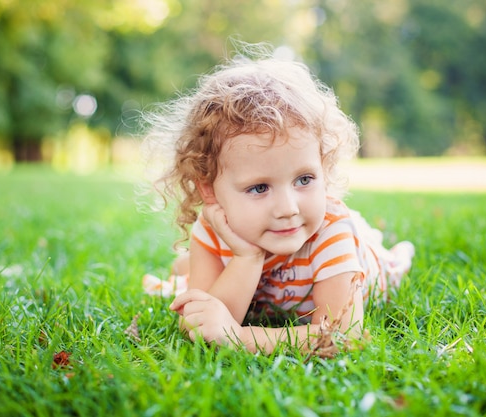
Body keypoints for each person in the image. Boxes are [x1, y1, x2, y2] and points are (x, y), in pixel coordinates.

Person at [142, 46, 414, 354]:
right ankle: (187, 267)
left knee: (360, 240)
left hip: (362, 256)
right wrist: (247, 258)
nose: (288, 209)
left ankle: (188, 268)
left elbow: (344, 336)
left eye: (304, 180)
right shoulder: (212, 228)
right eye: (259, 188)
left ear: (323, 169)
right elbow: (200, 324)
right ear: (209, 191)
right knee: (193, 273)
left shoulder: (329, 231)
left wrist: (240, 337)